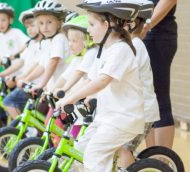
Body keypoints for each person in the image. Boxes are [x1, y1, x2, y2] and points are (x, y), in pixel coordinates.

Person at [57, 0, 144, 171]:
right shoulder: (106, 50)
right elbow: (91, 80)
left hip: (122, 119)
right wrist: (78, 97)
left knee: (94, 156)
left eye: (91, 24)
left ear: (107, 24)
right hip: (106, 117)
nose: (88, 30)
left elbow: (102, 81)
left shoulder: (121, 50)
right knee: (79, 151)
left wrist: (71, 99)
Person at [3, 0, 70, 119]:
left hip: (62, 91)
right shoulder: (50, 41)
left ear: (59, 22)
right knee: (42, 122)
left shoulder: (59, 39)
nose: (45, 27)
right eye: (41, 23)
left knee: (47, 124)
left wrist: (41, 84)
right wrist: (30, 80)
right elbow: (42, 66)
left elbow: (53, 63)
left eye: (49, 22)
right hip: (52, 90)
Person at [117, 1, 160, 170]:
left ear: (131, 23)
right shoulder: (131, 44)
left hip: (141, 111)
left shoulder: (134, 45)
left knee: (124, 148)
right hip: (138, 109)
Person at [140, 0, 178, 149]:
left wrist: (147, 24)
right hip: (141, 35)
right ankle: (153, 156)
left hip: (156, 34)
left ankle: (163, 161)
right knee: (146, 100)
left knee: (158, 100)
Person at [0, 2, 29, 68]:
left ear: (10, 20)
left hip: (21, 70)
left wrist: (16, 55)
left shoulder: (16, 32)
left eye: (3, 20)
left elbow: (27, 43)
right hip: (8, 72)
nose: (0, 24)